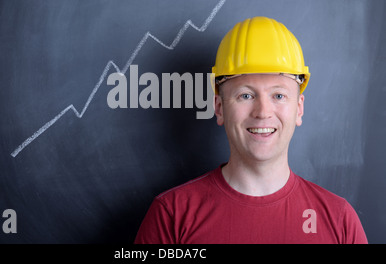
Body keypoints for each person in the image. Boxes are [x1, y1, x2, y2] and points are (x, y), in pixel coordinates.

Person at [134, 16, 367, 244]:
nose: (263, 112)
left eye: (278, 95)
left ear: (299, 108)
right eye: (245, 95)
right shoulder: (172, 216)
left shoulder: (340, 221)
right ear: (219, 108)